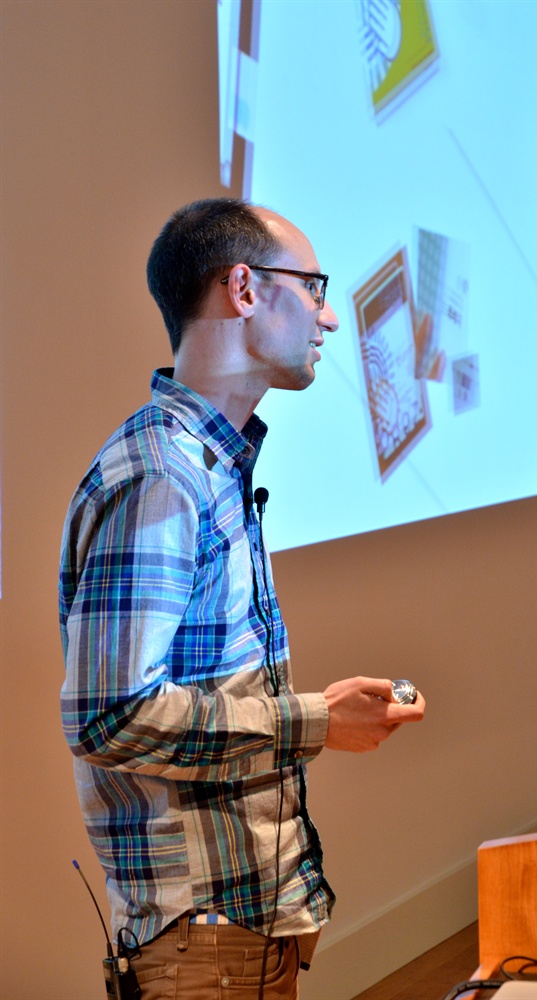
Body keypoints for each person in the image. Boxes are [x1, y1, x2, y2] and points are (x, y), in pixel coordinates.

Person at [59, 198, 426, 999]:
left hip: (240, 921)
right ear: (245, 289)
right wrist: (317, 720)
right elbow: (108, 715)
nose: (330, 316)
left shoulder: (209, 463)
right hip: (202, 938)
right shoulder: (163, 475)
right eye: (314, 287)